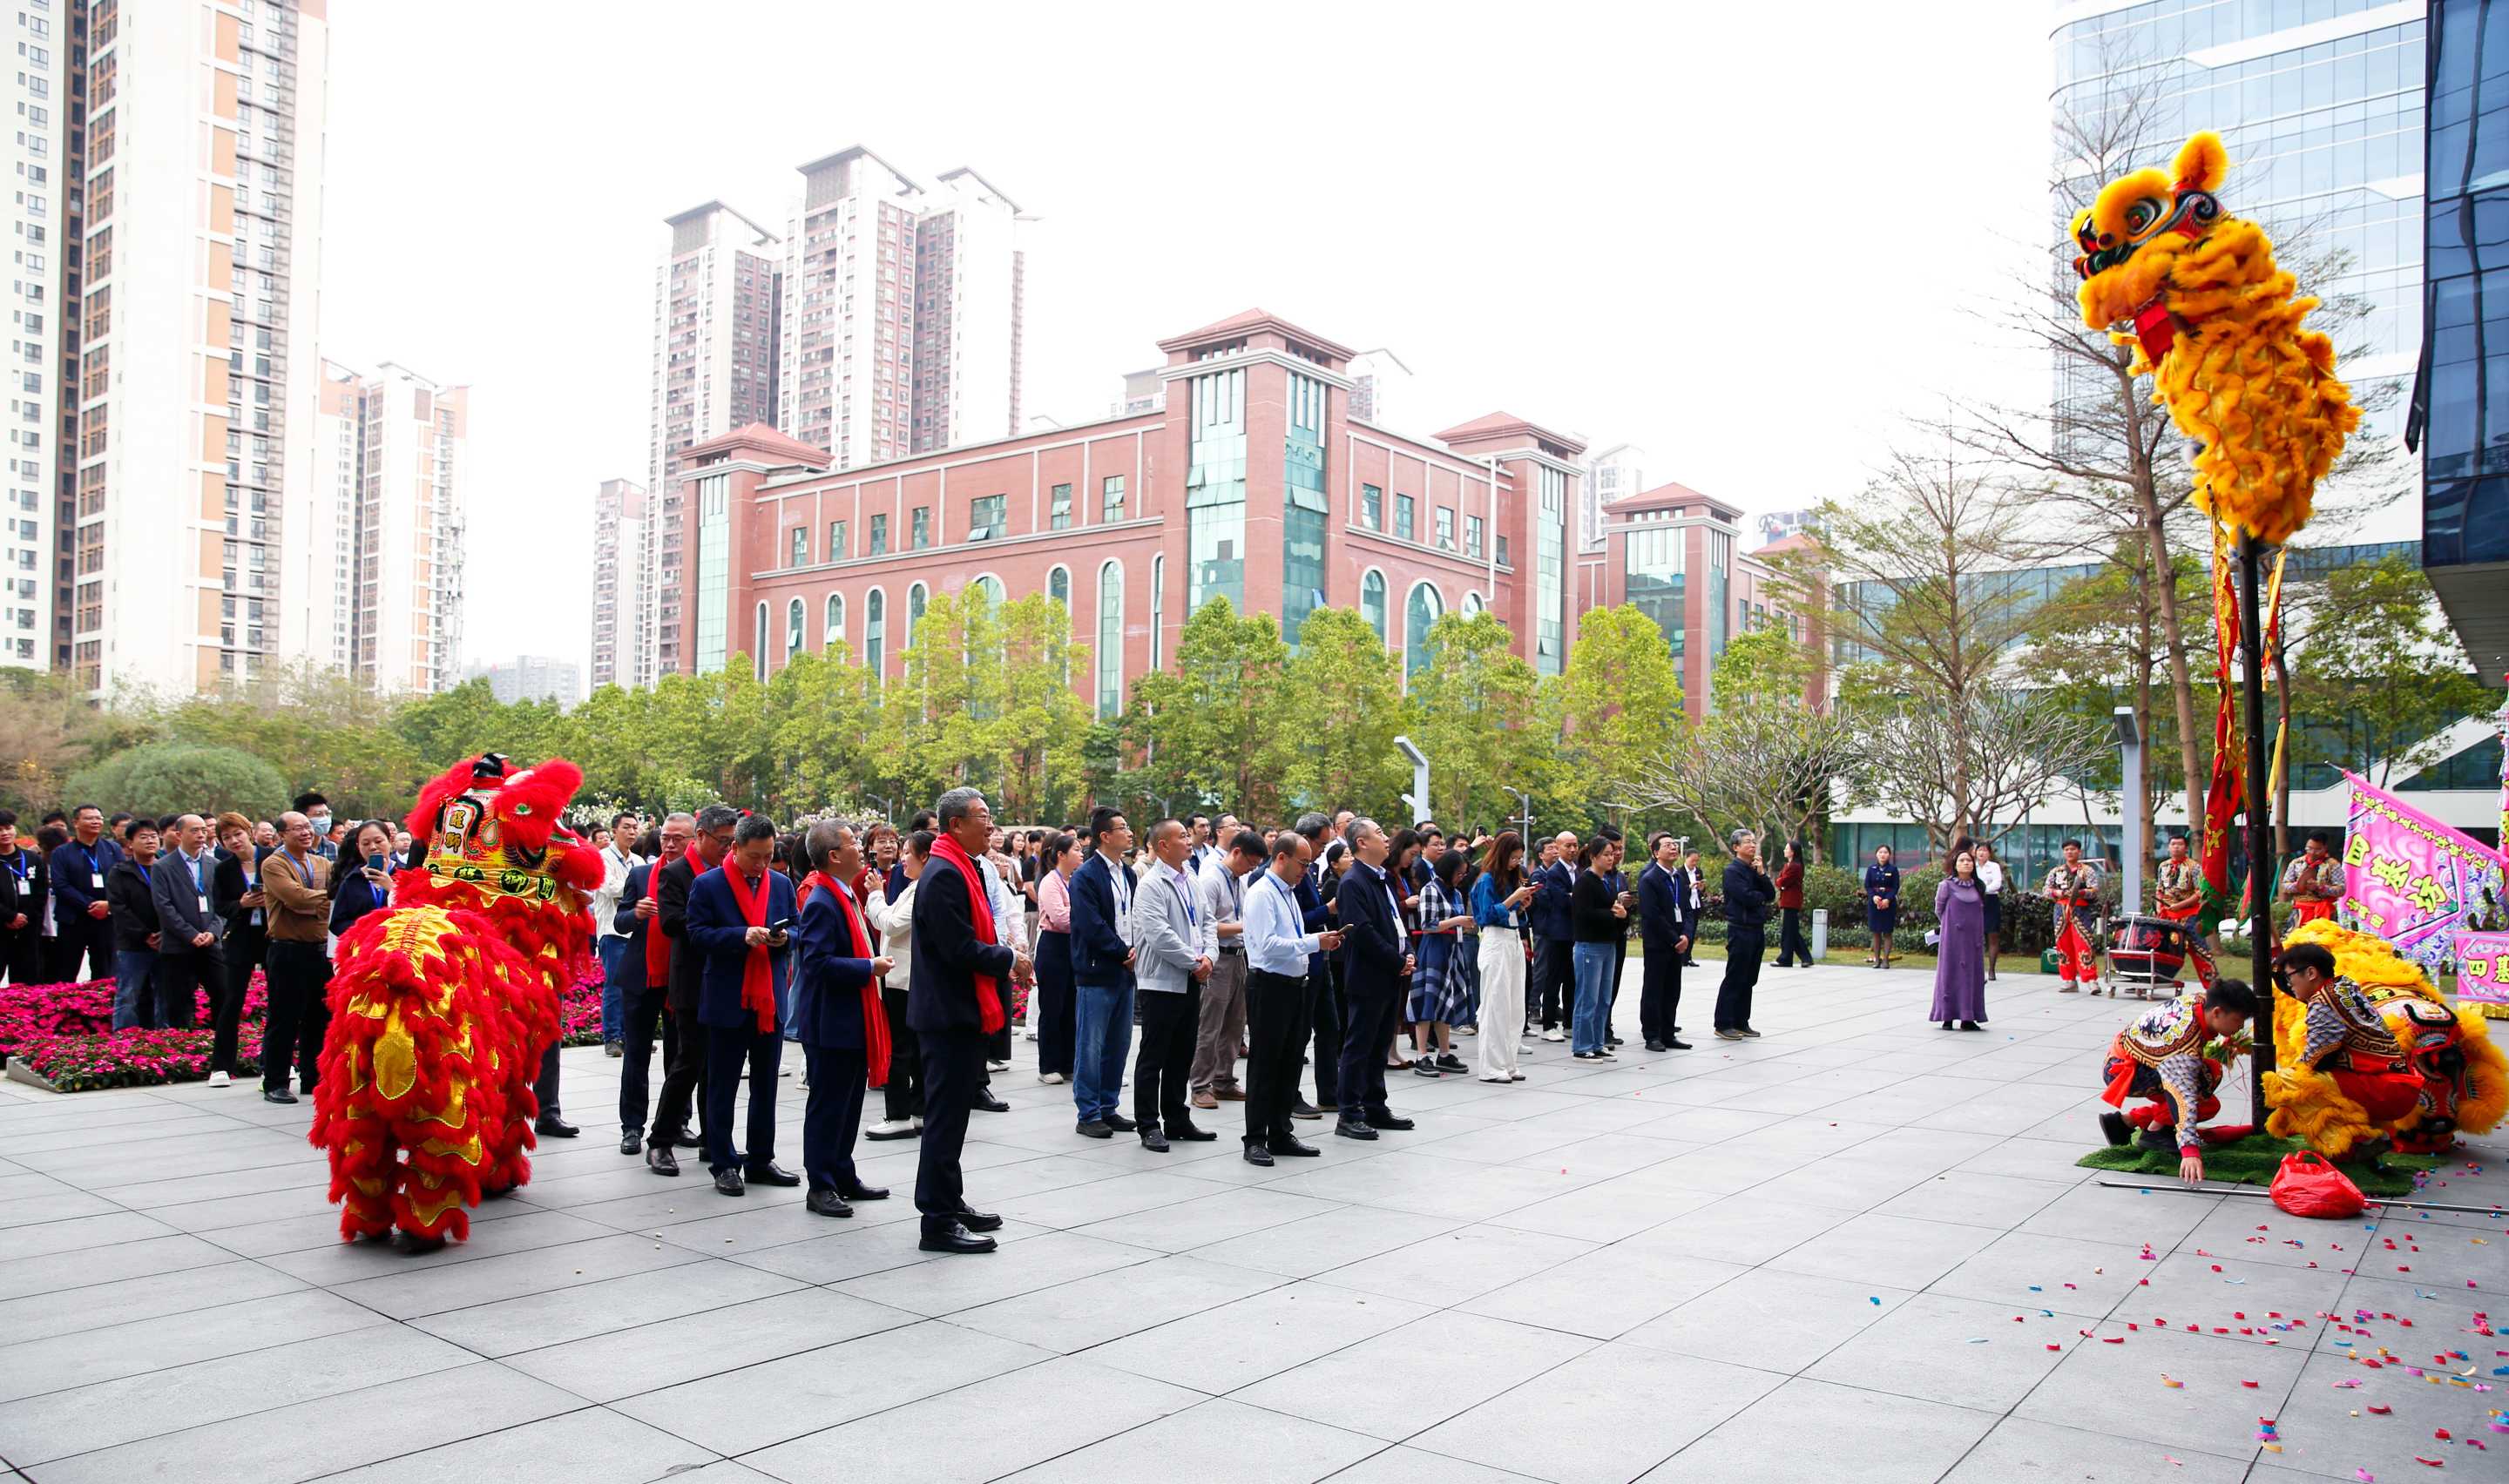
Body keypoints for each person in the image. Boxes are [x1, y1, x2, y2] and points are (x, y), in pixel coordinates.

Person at [909, 787, 1030, 1255]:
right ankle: (936, 1221)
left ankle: (949, 1201)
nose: (991, 824)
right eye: (983, 816)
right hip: (947, 1014)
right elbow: (957, 948)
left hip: (960, 1011)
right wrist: (1010, 959)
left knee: (954, 1117)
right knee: (944, 1118)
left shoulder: (964, 866)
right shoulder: (944, 873)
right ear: (956, 825)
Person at [685, 813, 799, 1196]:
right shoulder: (709, 884)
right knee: (723, 1085)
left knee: (766, 1084)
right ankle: (723, 1162)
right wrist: (741, 935)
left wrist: (785, 939)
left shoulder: (780, 884)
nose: (762, 864)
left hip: (770, 998)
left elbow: (798, 927)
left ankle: (761, 1159)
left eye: (768, 856)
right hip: (728, 998)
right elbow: (696, 935)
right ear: (734, 848)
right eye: (754, 856)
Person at [793, 820, 896, 1218]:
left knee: (849, 1103)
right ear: (834, 856)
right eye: (854, 843)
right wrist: (868, 967)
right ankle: (820, 1185)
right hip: (830, 1023)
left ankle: (841, 1173)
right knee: (828, 1105)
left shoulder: (842, 892)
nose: (861, 848)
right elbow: (817, 963)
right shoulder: (822, 899)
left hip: (850, 1018)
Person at [1241, 830, 1342, 1164]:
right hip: (1269, 986)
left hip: (1295, 985)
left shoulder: (1287, 892)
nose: (1305, 871)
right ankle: (1255, 1138)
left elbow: (1292, 937)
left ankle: (1281, 1132)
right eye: (1302, 863)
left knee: (1290, 1062)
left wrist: (1318, 940)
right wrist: (1315, 943)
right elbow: (1267, 945)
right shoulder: (1262, 894)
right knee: (1265, 1064)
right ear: (1281, 857)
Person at [2095, 978, 2260, 1183]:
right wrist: (2190, 1151)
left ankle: (2126, 1122)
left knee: (2208, 1087)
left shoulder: (2200, 1002)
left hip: (2129, 1058)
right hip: (2124, 1072)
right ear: (2217, 1012)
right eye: (2238, 1020)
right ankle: (2155, 1133)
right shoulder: (2182, 1046)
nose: (2241, 1026)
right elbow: (2183, 1096)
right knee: (2206, 1088)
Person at [647, 805, 738, 1175]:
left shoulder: (730, 871)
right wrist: (719, 929)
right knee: (689, 1062)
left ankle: (712, 1140)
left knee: (717, 1066)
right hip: (692, 981)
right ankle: (660, 1140)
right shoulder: (676, 873)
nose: (728, 848)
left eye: (732, 841)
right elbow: (671, 923)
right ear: (700, 836)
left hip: (724, 979)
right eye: (723, 841)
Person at [1130, 818, 1216, 1151]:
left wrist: (1209, 957)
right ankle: (1148, 1124)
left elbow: (1207, 922)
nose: (1189, 840)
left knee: (1182, 1054)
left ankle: (1177, 1118)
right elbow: (1159, 935)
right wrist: (1195, 962)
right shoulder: (1151, 885)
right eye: (1182, 836)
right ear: (1163, 845)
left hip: (1192, 977)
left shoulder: (1190, 878)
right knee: (1154, 1056)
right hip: (1162, 982)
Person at [2274, 941, 2419, 1130]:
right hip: (2397, 1086)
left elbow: (2320, 1056)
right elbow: (2290, 988)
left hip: (2384, 1090)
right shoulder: (2342, 987)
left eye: (2289, 976)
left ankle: (2347, 1139)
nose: (2288, 983)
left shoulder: (2322, 1002)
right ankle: (2371, 1135)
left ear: (2311, 973)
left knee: (2287, 1081)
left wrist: (2295, 1071)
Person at [1333, 819, 1416, 1141]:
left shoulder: (1381, 877)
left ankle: (1374, 1105)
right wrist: (1397, 960)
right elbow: (1362, 932)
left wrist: (1408, 952)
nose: (1386, 838)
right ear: (1362, 843)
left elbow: (1396, 922)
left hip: (1390, 972)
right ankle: (1349, 1112)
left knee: (1380, 1044)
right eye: (1379, 833)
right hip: (1369, 976)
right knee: (1360, 1045)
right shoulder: (1353, 882)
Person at [614, 817, 690, 1156]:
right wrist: (636, 914)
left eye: (677, 839)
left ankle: (678, 1123)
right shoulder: (641, 875)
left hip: (679, 977)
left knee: (680, 1055)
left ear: (694, 840)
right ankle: (632, 1127)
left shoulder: (697, 877)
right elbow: (620, 921)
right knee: (636, 1054)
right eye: (665, 838)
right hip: (641, 975)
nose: (669, 844)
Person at [1066, 806, 1140, 1139]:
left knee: (1119, 1044)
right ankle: (1089, 1112)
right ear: (1105, 836)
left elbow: (1134, 916)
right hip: (1098, 970)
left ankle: (1109, 1106)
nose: (1130, 832)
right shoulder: (1085, 876)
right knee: (1091, 1045)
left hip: (1126, 969)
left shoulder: (1129, 874)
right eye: (1123, 828)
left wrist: (1136, 948)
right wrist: (1123, 951)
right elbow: (1091, 924)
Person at [258, 812, 332, 1103]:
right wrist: (325, 899)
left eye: (307, 827)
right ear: (282, 835)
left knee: (318, 1019)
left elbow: (325, 896)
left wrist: (314, 900)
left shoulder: (321, 862)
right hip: (288, 950)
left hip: (320, 950)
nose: (305, 832)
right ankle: (275, 1082)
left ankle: (312, 1079)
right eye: (297, 828)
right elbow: (294, 897)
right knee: (284, 1019)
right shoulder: (274, 864)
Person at [1190, 829, 1261, 1111]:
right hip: (1218, 959)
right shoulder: (1210, 880)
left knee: (1235, 1024)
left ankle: (1224, 1079)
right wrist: (1246, 926)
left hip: (1240, 958)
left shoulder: (1240, 881)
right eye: (1250, 862)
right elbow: (1205, 926)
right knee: (1211, 1024)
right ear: (1236, 852)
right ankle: (1200, 1084)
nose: (1252, 869)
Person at [864, 833, 929, 1141]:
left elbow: (890, 923)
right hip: (904, 978)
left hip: (903, 979)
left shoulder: (921, 889)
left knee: (900, 1049)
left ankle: (899, 1114)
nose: (902, 858)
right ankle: (916, 1110)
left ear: (924, 856)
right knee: (912, 1048)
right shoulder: (917, 886)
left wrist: (876, 896)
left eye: (907, 853)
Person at [1469, 832, 1537, 1083]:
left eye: (1519, 858)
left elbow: (1512, 913)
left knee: (1515, 1006)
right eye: (1513, 857)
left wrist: (1521, 904)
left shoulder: (1510, 878)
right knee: (1495, 1006)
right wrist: (1513, 900)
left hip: (1513, 938)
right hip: (1495, 940)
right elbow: (1485, 916)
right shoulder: (1486, 879)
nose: (1516, 862)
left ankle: (1508, 1062)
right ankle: (1491, 1066)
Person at [207, 813, 267, 1087]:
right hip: (240, 937)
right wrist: (241, 904)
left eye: (238, 834)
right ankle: (221, 1066)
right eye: (227, 837)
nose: (234, 841)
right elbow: (220, 905)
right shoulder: (223, 869)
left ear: (249, 832)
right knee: (231, 1001)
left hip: (273, 934)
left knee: (280, 1000)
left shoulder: (272, 858)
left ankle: (277, 1062)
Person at [145, 815, 219, 1029]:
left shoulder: (215, 865)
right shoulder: (162, 866)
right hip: (179, 945)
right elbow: (163, 906)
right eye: (194, 831)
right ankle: (182, 1042)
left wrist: (213, 932)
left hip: (211, 944)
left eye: (203, 830)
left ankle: (220, 1040)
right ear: (179, 834)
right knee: (179, 1002)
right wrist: (190, 934)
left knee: (223, 992)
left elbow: (223, 905)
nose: (201, 835)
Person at [1409, 848, 1476, 1076]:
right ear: (1448, 870)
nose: (1461, 877)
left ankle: (1444, 1054)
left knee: (1447, 1001)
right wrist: (1457, 920)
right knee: (1428, 1001)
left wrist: (1461, 922)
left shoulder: (1455, 892)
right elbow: (1428, 925)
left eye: (1464, 873)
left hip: (1453, 950)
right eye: (1459, 873)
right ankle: (1422, 1055)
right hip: (1434, 950)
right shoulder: (1430, 889)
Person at [46, 804, 118, 983]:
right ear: (76, 822)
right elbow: (61, 885)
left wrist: (108, 904)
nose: (95, 822)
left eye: (98, 818)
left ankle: (101, 1001)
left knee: (105, 973)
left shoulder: (113, 849)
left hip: (106, 919)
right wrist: (89, 905)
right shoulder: (61, 853)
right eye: (89, 818)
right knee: (65, 972)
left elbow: (123, 881)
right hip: (73, 919)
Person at [1568, 836, 1626, 1061]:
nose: (1611, 858)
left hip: (1608, 945)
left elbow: (1610, 910)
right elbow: (1583, 914)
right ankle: (1582, 1046)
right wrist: (1612, 914)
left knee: (1603, 999)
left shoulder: (1606, 881)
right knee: (1587, 998)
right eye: (1606, 855)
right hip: (1589, 946)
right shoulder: (1585, 882)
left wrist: (1622, 914)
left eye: (1612, 854)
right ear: (1593, 857)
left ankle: (1597, 1042)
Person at [1638, 831, 1695, 1052]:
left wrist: (1686, 935)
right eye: (1667, 845)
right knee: (1654, 989)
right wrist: (1674, 939)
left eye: (1674, 844)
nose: (1673, 848)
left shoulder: (1678, 877)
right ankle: (1652, 1035)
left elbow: (1688, 910)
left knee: (1672, 989)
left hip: (1678, 943)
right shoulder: (1650, 879)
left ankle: (1668, 1033)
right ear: (1656, 853)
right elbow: (1652, 915)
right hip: (1658, 944)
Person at [1032, 832, 1080, 1086]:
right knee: (1052, 1007)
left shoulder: (1074, 881)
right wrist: (1083, 915)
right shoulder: (1050, 881)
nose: (1081, 854)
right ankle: (1048, 1065)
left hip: (1072, 946)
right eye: (1076, 849)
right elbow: (1060, 918)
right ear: (1061, 855)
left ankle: (1067, 1063)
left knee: (1071, 1007)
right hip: (1053, 946)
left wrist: (1079, 914)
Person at [1716, 831, 1775, 1041]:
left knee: (1749, 978)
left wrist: (1762, 874)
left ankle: (1741, 1021)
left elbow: (1770, 895)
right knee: (1735, 976)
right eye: (1747, 842)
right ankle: (1723, 1023)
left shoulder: (1754, 869)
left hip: (1756, 928)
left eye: (1753, 842)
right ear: (1736, 847)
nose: (1752, 845)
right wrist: (1760, 896)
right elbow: (1746, 897)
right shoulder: (1732, 871)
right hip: (1740, 928)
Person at [105, 819, 163, 1031]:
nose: (150, 841)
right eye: (143, 837)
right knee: (128, 995)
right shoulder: (120, 872)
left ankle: (166, 1038)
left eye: (153, 836)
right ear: (130, 843)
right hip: (133, 944)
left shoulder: (168, 868)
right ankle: (124, 1039)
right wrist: (145, 935)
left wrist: (166, 933)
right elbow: (119, 909)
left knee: (164, 995)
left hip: (167, 942)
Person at [592, 812, 641, 1056]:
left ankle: (630, 1035)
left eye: (635, 827)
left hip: (636, 931)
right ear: (614, 831)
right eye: (626, 827)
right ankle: (612, 1037)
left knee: (635, 986)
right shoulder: (602, 858)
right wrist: (635, 889)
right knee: (614, 985)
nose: (632, 832)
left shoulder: (638, 860)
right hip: (612, 931)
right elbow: (610, 888)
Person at [1528, 831, 1579, 1042]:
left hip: (1574, 933)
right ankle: (1549, 1025)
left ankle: (1569, 1023)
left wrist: (1575, 897)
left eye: (1575, 845)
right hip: (1556, 933)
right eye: (1568, 846)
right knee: (1553, 978)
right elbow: (1560, 901)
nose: (1573, 849)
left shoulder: (1578, 870)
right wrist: (1577, 898)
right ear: (1558, 848)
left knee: (1571, 980)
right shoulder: (1554, 872)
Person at [1931, 849, 1988, 1031]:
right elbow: (1939, 909)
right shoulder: (1946, 885)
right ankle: (1947, 1016)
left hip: (1973, 939)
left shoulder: (1978, 886)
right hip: (1952, 938)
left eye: (1969, 860)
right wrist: (1951, 925)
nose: (1966, 863)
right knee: (1950, 973)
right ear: (1955, 865)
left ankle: (1968, 1017)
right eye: (1962, 860)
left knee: (1971, 974)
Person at [2044, 839, 2100, 994]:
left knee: (2084, 943)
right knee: (2063, 944)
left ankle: (2091, 979)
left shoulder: (2087, 871)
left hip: (2080, 910)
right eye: (2067, 850)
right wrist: (2057, 892)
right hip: (2061, 910)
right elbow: (2046, 890)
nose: (2070, 852)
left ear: (2079, 852)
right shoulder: (2056, 871)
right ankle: (2069, 979)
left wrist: (2080, 892)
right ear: (2063, 852)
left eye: (2073, 849)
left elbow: (2095, 890)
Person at [328, 820, 396, 943]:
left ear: (390, 842)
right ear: (358, 847)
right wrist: (365, 930)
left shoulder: (405, 874)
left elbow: (417, 912)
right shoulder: (352, 879)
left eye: (378, 841)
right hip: (362, 947)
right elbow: (337, 923)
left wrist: (392, 888)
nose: (373, 847)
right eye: (365, 843)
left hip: (397, 945)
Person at [0, 811, 46, 986]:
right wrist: (10, 917)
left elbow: (41, 892)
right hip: (2, 925)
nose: (5, 833)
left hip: (27, 928)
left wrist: (25, 916)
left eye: (8, 828)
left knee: (27, 980)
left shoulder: (32, 858)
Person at [2278, 830, 2344, 934]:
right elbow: (2285, 886)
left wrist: (2321, 888)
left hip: (2323, 911)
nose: (2312, 852)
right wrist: (2300, 885)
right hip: (2300, 911)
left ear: (2325, 848)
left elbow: (2341, 890)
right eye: (2309, 848)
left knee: (2325, 940)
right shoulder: (2296, 863)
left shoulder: (2333, 865)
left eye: (2317, 850)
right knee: (2295, 940)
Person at [1863, 844, 1902, 970]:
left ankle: (1886, 960)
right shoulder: (1871, 869)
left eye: (1885, 852)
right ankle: (1876, 960)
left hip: (1888, 904)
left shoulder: (1893, 869)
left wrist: (1887, 899)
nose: (1883, 855)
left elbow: (1895, 887)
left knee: (1887, 932)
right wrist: (1873, 897)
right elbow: (1867, 886)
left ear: (1889, 855)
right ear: (1876, 854)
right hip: (1874, 903)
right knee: (1876, 932)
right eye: (1880, 852)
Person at [1773, 840, 1811, 968]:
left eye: (1786, 849)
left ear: (1793, 852)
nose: (1784, 851)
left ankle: (1786, 958)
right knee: (1791, 931)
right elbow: (1780, 881)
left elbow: (1782, 881)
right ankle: (1803, 958)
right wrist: (1780, 883)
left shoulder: (1795, 866)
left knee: (1789, 931)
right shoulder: (1788, 865)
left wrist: (1781, 883)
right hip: (1787, 901)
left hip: (1792, 901)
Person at [1973, 837, 2006, 980]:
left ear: (1989, 853)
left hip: (1991, 900)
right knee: (1975, 937)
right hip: (1974, 901)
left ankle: (1992, 970)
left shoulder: (1994, 866)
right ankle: (1976, 970)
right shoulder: (1972, 866)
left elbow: (1997, 883)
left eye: (1985, 850)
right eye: (1979, 850)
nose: (1982, 853)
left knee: (1992, 935)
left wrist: (1982, 890)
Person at [294, 792, 338, 860]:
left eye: (327, 813)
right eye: (318, 814)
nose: (325, 818)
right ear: (302, 817)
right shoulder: (292, 849)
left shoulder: (333, 847)